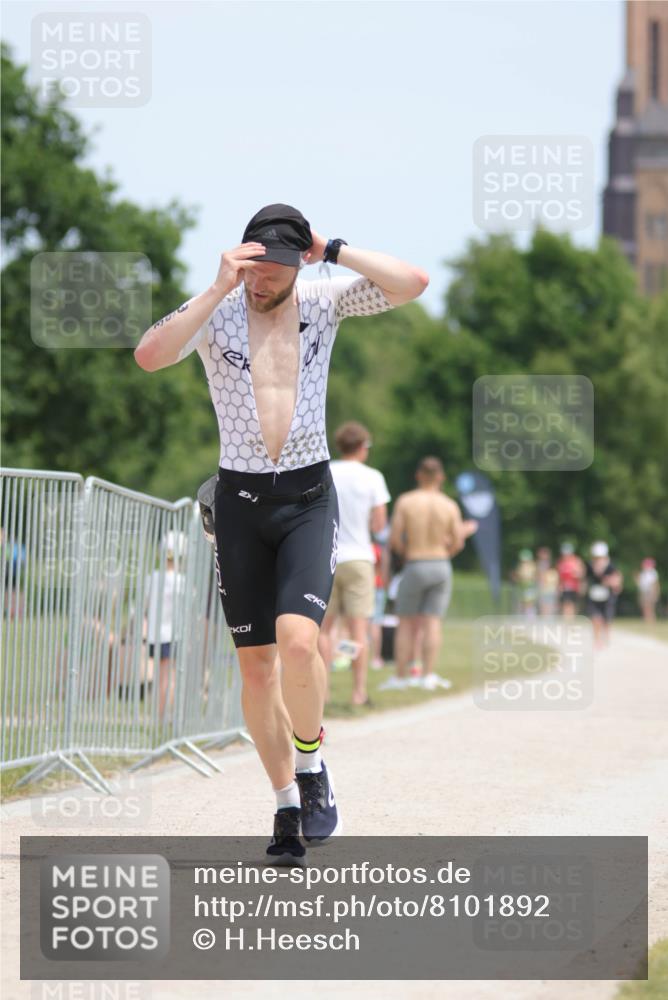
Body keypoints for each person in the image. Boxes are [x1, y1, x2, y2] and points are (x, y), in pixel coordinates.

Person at [134, 203, 428, 863]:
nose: (261, 282)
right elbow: (149, 356)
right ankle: (285, 803)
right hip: (238, 501)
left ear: (299, 263)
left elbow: (412, 282)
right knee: (257, 667)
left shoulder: (323, 302)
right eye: (253, 268)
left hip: (305, 498)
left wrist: (336, 248)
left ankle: (312, 764)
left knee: (300, 644)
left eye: (275, 270)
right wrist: (215, 287)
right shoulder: (218, 310)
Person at [382, 456, 477, 692]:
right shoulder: (449, 505)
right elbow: (458, 541)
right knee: (432, 622)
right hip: (440, 563)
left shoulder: (406, 501)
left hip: (415, 562)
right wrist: (446, 552)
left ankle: (401, 677)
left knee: (405, 622)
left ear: (418, 476)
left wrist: (406, 555)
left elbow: (394, 539)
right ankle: (427, 675)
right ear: (441, 477)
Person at [318, 421, 391, 707]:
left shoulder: (327, 471)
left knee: (323, 630)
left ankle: (321, 691)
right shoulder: (372, 477)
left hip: (328, 557)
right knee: (358, 628)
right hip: (360, 557)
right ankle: (359, 691)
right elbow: (379, 523)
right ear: (363, 447)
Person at [143, 530, 187, 720]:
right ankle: (162, 716)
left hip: (154, 633)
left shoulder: (152, 578)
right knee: (168, 676)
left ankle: (159, 713)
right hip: (172, 633)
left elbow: (144, 605)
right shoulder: (181, 581)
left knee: (160, 674)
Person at [584, 541, 623, 648]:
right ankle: (597, 640)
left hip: (608, 596)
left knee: (607, 618)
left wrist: (610, 582)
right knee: (595, 618)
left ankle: (606, 637)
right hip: (594, 596)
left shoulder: (611, 566)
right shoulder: (589, 566)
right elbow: (586, 578)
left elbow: (617, 579)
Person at [556, 541, 585, 618]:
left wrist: (575, 574)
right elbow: (559, 576)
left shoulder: (576, 561)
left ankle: (571, 619)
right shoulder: (561, 562)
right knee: (565, 604)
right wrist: (559, 586)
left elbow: (581, 574)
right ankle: (567, 620)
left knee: (572, 604)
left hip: (574, 587)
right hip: (564, 587)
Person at [512, 549, 538, 617]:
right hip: (522, 587)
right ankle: (524, 617)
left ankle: (530, 617)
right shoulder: (520, 566)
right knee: (522, 603)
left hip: (529, 587)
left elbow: (533, 576)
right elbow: (518, 576)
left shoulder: (532, 566)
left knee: (529, 603)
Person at [536, 546, 560, 616]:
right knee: (544, 610)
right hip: (543, 590)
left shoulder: (550, 565)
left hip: (550, 590)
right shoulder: (539, 564)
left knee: (550, 609)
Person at [635, 558, 660, 623]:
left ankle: (651, 619)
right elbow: (640, 583)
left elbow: (654, 583)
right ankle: (646, 619)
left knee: (650, 606)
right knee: (644, 606)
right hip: (644, 591)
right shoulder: (643, 573)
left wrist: (655, 592)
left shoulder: (652, 572)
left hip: (650, 591)